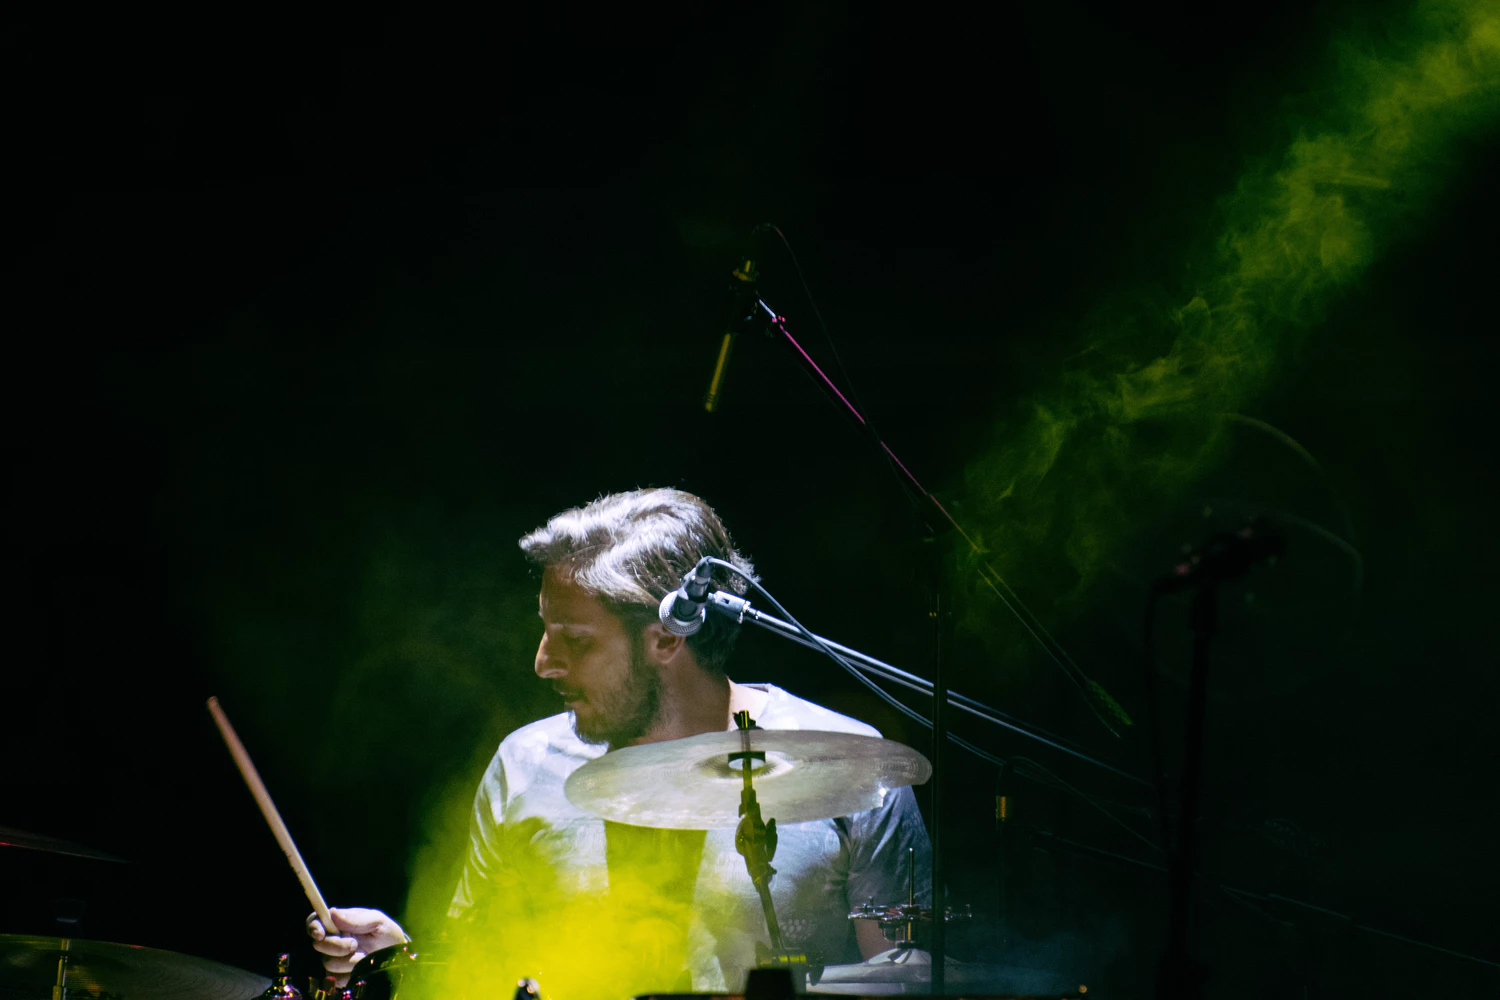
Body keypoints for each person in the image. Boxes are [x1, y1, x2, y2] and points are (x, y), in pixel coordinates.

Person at [308, 488, 931, 992]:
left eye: (575, 641)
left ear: (667, 638)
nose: (543, 663)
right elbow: (480, 972)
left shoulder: (849, 762)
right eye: (546, 631)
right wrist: (401, 956)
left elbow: (903, 979)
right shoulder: (525, 765)